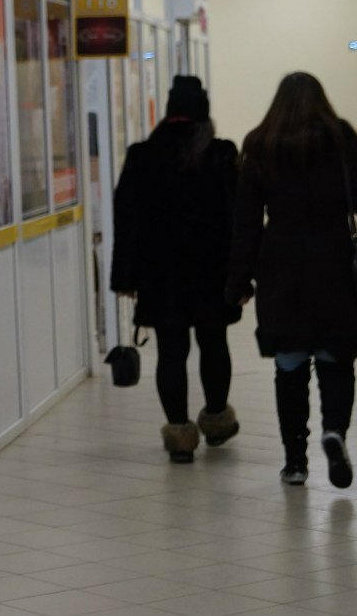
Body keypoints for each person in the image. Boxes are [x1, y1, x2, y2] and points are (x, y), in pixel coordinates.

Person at [227, 72, 357, 488]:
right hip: (333, 264)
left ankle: (295, 461)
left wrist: (239, 283)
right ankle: (335, 431)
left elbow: (246, 223)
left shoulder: (260, 144)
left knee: (290, 364)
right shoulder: (340, 138)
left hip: (281, 267)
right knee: (336, 358)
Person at [112, 75, 242, 463]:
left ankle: (180, 436)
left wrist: (125, 277)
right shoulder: (220, 154)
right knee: (214, 343)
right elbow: (237, 218)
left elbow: (127, 220)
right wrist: (242, 274)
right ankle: (216, 421)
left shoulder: (142, 156)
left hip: (160, 274)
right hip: (212, 272)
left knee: (171, 351)